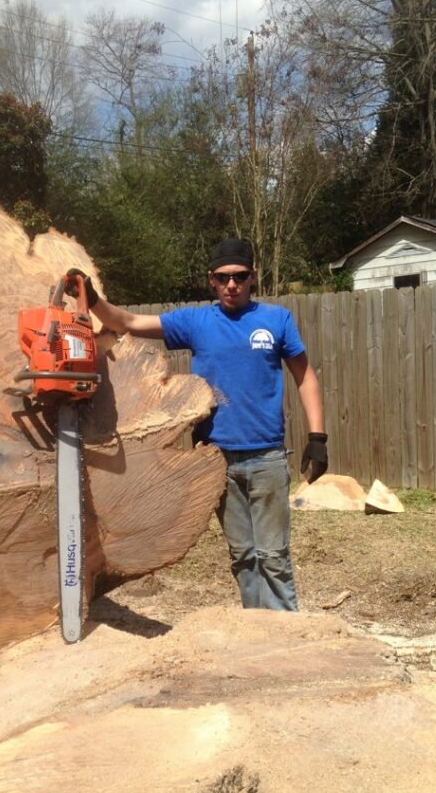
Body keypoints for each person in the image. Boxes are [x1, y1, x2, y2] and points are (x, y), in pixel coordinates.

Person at [66, 237, 327, 611]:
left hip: (266, 457)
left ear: (252, 277)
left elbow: (305, 377)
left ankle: (285, 637)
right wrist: (92, 300)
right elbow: (127, 322)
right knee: (243, 556)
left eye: (239, 276)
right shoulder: (195, 322)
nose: (231, 284)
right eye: (223, 278)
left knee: (273, 556)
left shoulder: (275, 320)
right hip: (216, 459)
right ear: (211, 280)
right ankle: (255, 631)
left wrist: (318, 436)